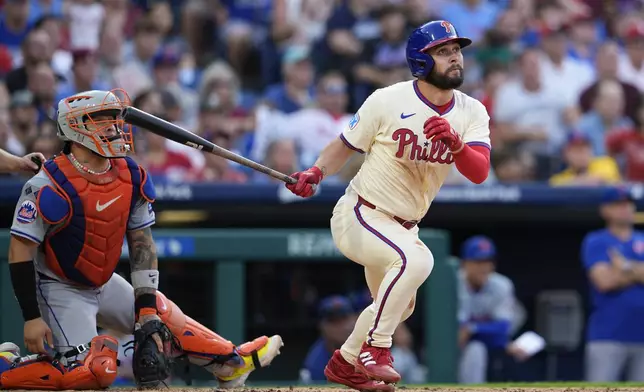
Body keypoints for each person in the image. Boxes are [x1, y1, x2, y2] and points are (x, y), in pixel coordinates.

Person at [2, 89, 283, 390]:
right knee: (93, 372)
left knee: (159, 315)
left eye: (113, 119)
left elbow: (142, 242)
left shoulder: (130, 174)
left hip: (105, 280)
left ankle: (231, 363)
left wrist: (146, 311)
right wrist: (31, 317)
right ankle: (6, 367)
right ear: (75, 128)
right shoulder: (47, 184)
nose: (112, 126)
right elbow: (20, 250)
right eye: (101, 120)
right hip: (59, 286)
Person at [284, 20, 491, 391]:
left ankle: (346, 362)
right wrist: (315, 171)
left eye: (456, 50)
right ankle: (376, 350)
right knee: (418, 261)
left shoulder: (472, 111)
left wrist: (458, 146)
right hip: (362, 213)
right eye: (443, 52)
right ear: (421, 61)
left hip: (404, 226)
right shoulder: (387, 99)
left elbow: (479, 172)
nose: (455, 58)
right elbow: (345, 145)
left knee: (400, 305)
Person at [581, 187, 644, 382]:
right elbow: (604, 282)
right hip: (607, 335)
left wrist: (624, 266)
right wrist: (639, 271)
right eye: (618, 205)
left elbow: (614, 276)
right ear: (605, 210)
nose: (625, 209)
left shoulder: (642, 239)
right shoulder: (597, 240)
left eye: (628, 204)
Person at [456, 236, 526, 384]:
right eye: (478, 262)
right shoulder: (453, 282)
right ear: (465, 264)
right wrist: (478, 328)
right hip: (450, 344)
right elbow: (457, 329)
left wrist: (472, 328)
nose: (484, 267)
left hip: (487, 343)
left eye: (488, 262)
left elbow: (503, 327)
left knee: (476, 349)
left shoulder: (501, 285)